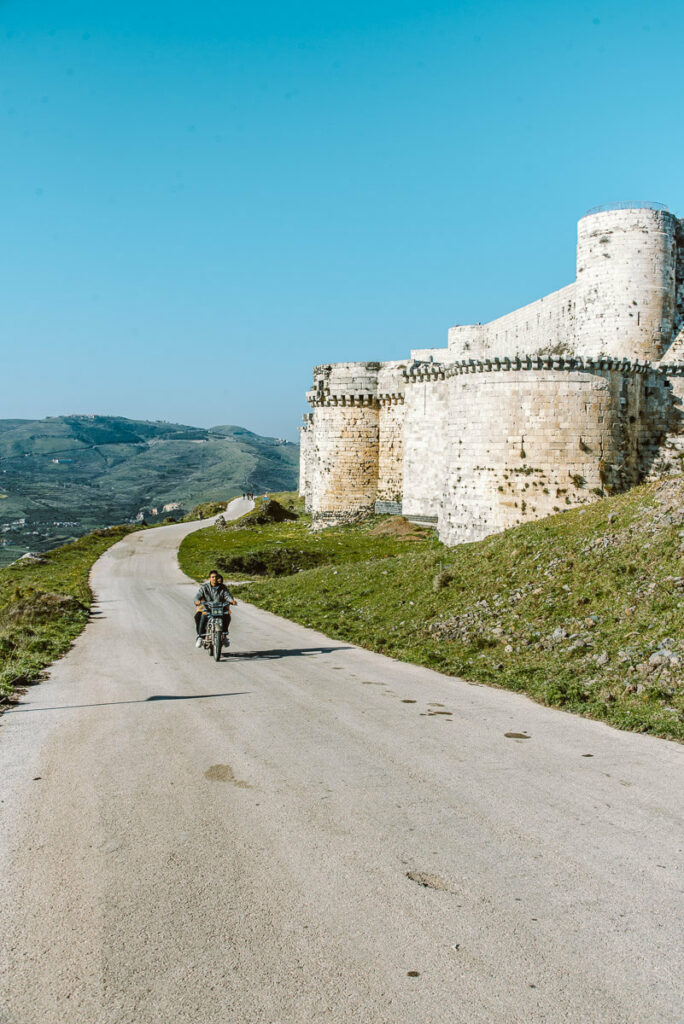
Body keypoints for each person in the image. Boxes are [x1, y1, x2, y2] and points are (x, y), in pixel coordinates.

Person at [194, 570, 237, 648]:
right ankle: (200, 636)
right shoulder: (204, 587)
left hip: (220, 608)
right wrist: (197, 600)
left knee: (227, 615)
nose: (214, 578)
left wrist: (231, 600)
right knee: (200, 616)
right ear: (209, 578)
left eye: (216, 577)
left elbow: (227, 595)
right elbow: (198, 595)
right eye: (212, 577)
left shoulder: (222, 587)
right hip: (208, 608)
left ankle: (224, 635)